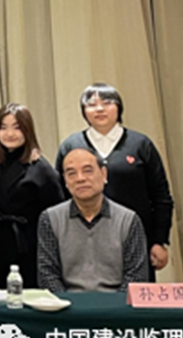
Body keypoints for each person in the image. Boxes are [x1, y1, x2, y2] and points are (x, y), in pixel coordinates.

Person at [54, 83, 174, 281]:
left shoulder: (141, 144)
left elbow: (161, 197)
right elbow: (61, 197)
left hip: (136, 240)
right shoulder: (71, 146)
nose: (99, 109)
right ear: (83, 111)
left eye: (107, 103)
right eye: (92, 104)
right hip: (83, 241)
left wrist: (159, 241)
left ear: (119, 107)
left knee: (135, 295)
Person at [38, 146, 148, 292]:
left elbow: (136, 276)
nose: (80, 178)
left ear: (103, 174)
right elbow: (47, 275)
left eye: (88, 171)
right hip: (68, 303)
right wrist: (66, 303)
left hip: (116, 303)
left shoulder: (128, 220)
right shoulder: (50, 219)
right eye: (71, 173)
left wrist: (115, 304)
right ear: (65, 181)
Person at [0, 104, 62, 288]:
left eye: (17, 127)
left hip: (30, 243)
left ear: (28, 130)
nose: (10, 133)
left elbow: (56, 212)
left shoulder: (41, 168)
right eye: (3, 127)